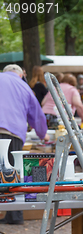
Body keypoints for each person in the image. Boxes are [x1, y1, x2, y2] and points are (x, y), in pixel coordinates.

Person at [0, 64, 48, 225]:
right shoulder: (23, 85)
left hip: (8, 128)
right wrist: (42, 134)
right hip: (11, 130)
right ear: (21, 74)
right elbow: (36, 114)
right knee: (12, 170)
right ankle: (14, 214)